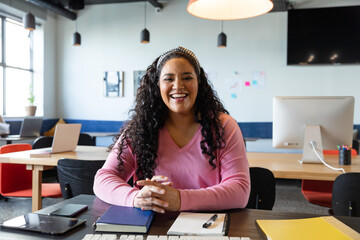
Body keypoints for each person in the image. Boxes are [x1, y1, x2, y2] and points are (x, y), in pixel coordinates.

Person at [94, 46, 250, 213]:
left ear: (199, 83)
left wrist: (180, 199)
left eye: (187, 78)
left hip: (207, 225)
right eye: (168, 79)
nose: (178, 86)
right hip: (152, 225)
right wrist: (135, 197)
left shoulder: (224, 126)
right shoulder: (140, 128)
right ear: (157, 86)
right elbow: (103, 179)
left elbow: (239, 190)